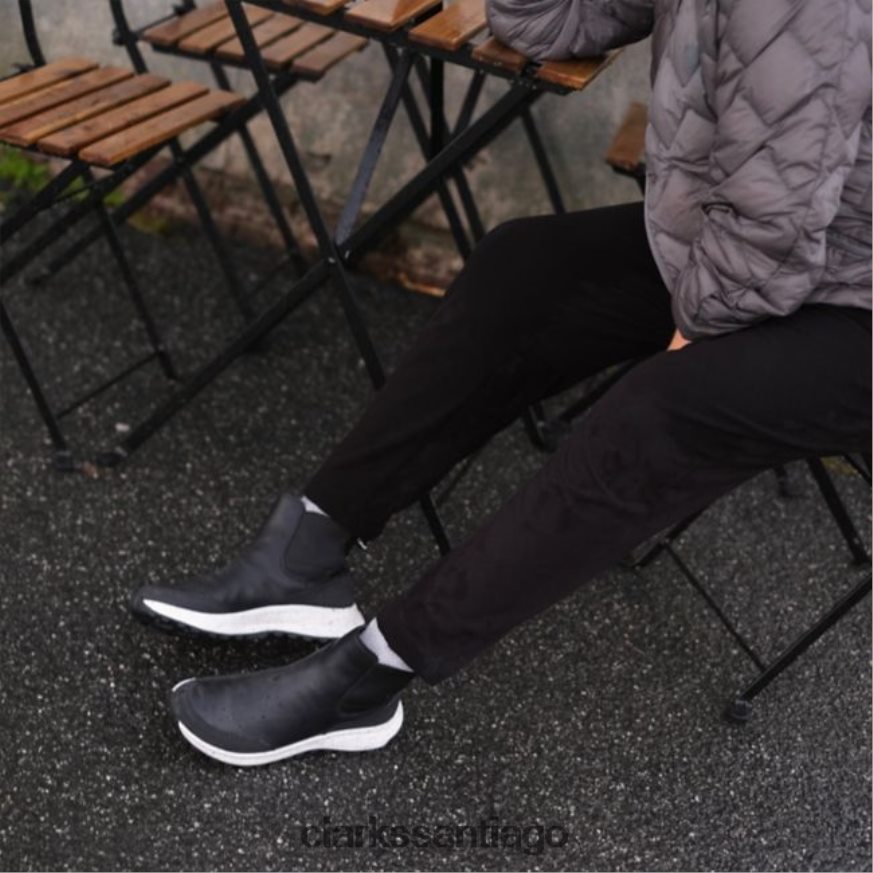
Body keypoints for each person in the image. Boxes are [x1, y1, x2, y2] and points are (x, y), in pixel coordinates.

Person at [131, 0, 872, 767]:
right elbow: (554, 22)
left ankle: (369, 675)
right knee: (525, 270)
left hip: (843, 296)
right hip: (778, 239)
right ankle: (306, 552)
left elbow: (776, 211)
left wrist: (698, 330)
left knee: (661, 413)